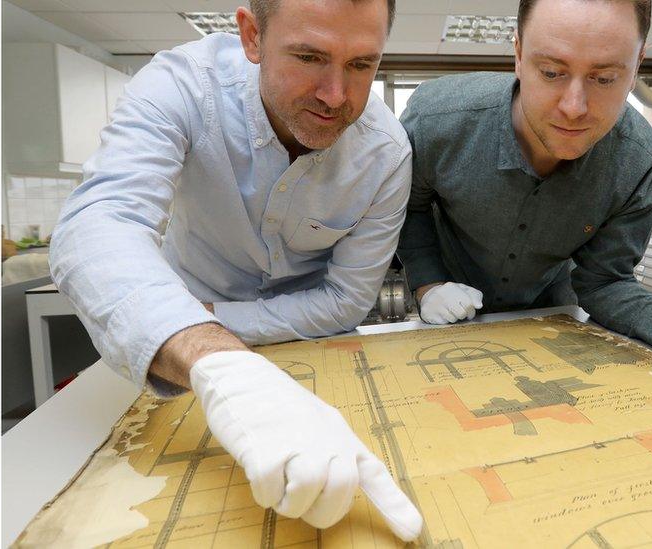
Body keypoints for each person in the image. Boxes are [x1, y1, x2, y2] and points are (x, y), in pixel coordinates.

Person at [49, 0, 422, 541]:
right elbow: (99, 222)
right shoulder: (182, 86)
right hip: (182, 353)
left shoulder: (386, 153)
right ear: (252, 37)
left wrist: (218, 320)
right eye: (309, 56)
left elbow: (346, 300)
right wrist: (217, 360)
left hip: (305, 346)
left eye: (362, 65)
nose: (335, 96)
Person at [397, 0, 652, 396]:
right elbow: (410, 206)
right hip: (446, 310)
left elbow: (605, 283)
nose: (574, 108)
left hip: (553, 312)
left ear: (636, 66)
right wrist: (428, 284)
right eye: (551, 72)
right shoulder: (438, 122)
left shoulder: (638, 162)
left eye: (605, 78)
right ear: (518, 54)